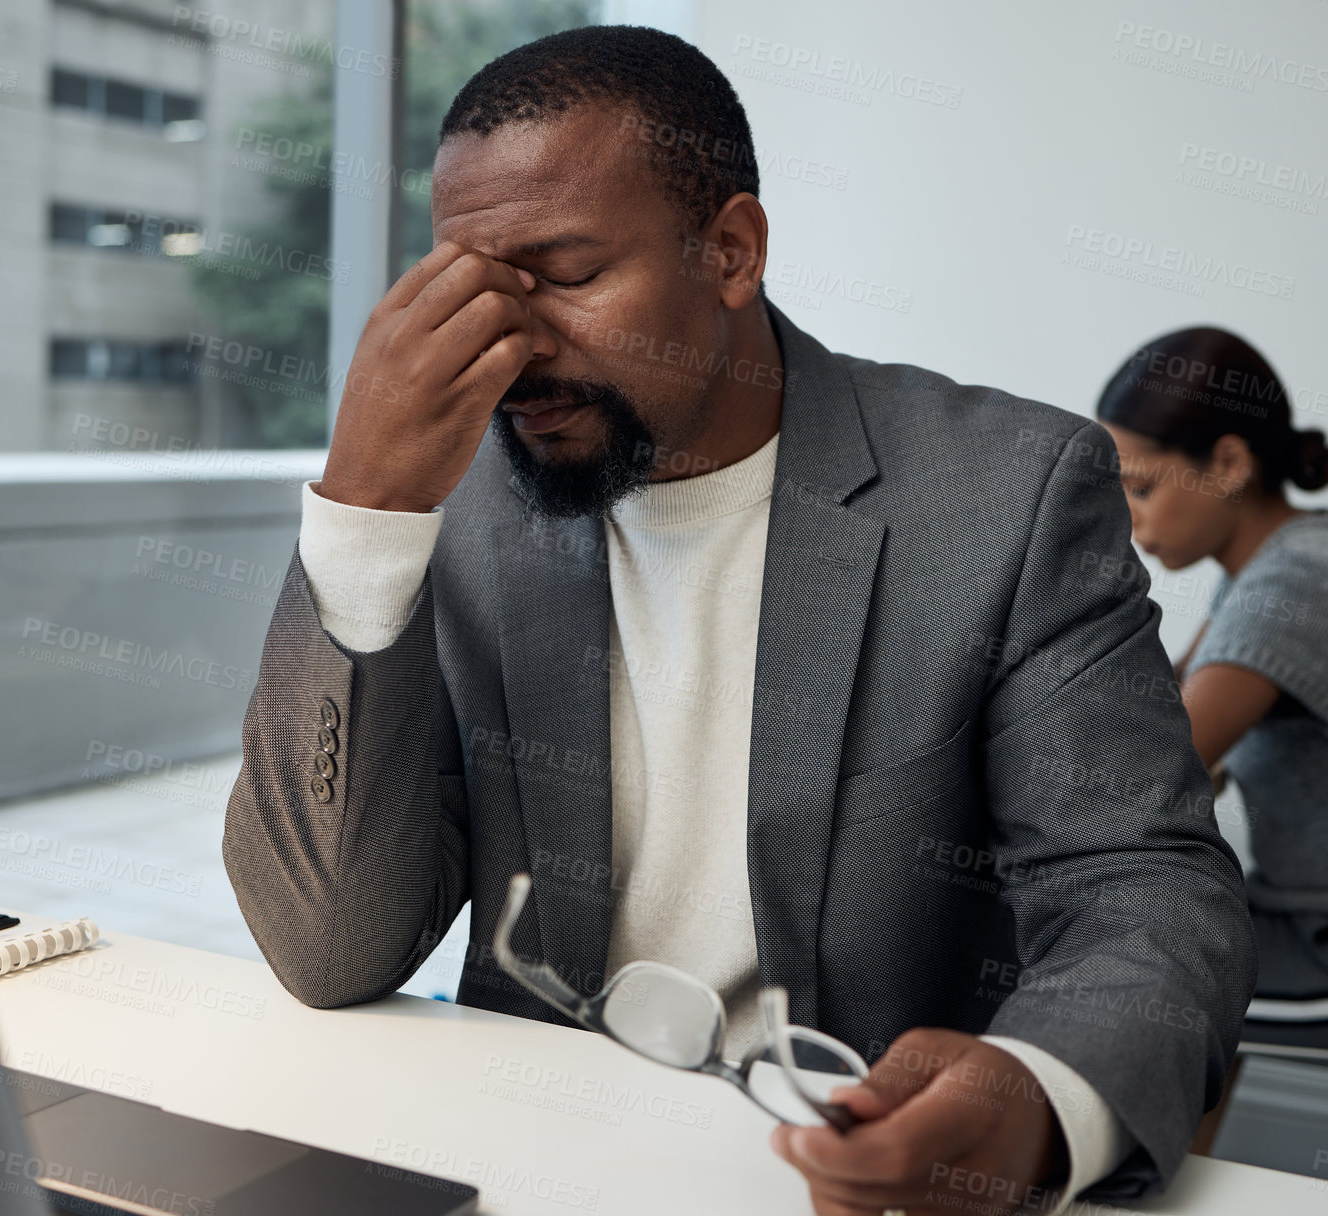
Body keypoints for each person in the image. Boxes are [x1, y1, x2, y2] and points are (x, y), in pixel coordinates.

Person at [224, 26, 1254, 1216]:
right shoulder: (448, 501)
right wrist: (363, 515)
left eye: (564, 274)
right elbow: (330, 945)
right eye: (475, 289)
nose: (512, 351)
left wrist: (1033, 1096)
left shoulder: (1005, 493)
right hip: (522, 1159)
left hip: (840, 1174)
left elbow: (1145, 883)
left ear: (730, 249)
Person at [1097, 328, 1328, 1002]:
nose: (1126, 523)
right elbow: (1165, 706)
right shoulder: (1277, 562)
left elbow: (1149, 772)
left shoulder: (1297, 580)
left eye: (1143, 488)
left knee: (1135, 987)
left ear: (1230, 463)